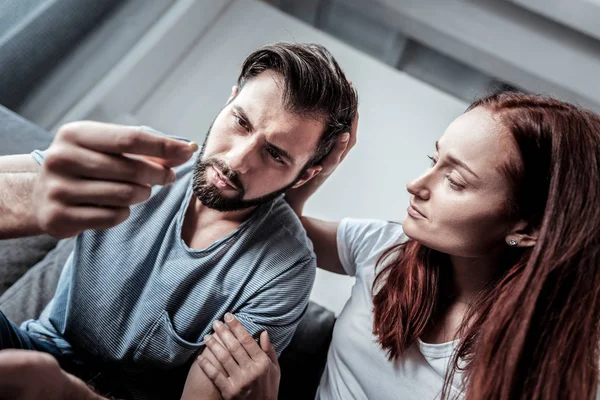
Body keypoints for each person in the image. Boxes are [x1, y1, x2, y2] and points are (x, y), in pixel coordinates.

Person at [0, 42, 358, 399]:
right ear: (229, 101)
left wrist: (64, 392)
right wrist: (28, 199)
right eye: (241, 122)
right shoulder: (143, 157)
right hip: (34, 345)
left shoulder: (284, 270)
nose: (236, 161)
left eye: (275, 154)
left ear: (303, 176)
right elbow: (17, 187)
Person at [195, 91, 600, 400]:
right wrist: (318, 168)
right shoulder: (386, 247)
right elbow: (281, 230)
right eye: (434, 158)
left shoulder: (535, 372)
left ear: (528, 228)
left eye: (455, 181)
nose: (417, 184)